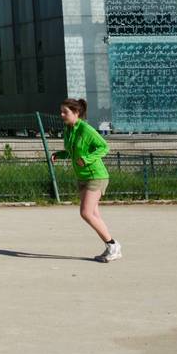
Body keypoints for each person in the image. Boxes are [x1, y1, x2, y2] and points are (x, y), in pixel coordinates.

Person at [55, 98, 120, 262]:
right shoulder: (68, 129)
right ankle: (111, 247)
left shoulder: (86, 129)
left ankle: (113, 245)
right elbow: (71, 151)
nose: (62, 115)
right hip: (82, 176)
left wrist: (87, 159)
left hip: (96, 176)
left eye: (65, 112)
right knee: (94, 214)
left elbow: (104, 147)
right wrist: (59, 154)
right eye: (61, 111)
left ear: (76, 113)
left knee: (85, 213)